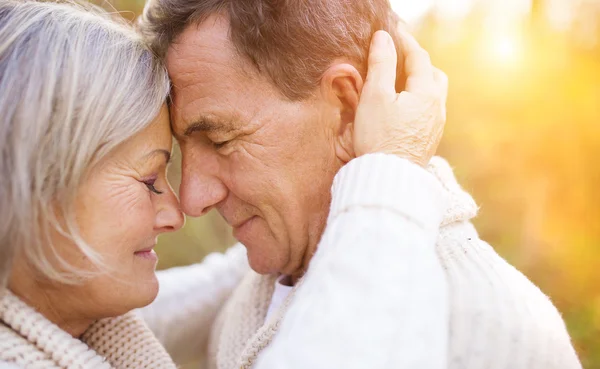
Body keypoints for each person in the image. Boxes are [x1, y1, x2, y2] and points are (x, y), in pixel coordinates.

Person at [0, 1, 449, 368]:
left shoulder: (83, 324)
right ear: (31, 180)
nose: (185, 206)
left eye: (220, 139)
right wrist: (392, 172)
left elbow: (224, 283)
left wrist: (307, 224)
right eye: (151, 180)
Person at [139, 0, 583, 368]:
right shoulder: (274, 266)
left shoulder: (491, 331)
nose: (192, 199)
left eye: (220, 139)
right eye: (182, 151)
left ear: (349, 108)